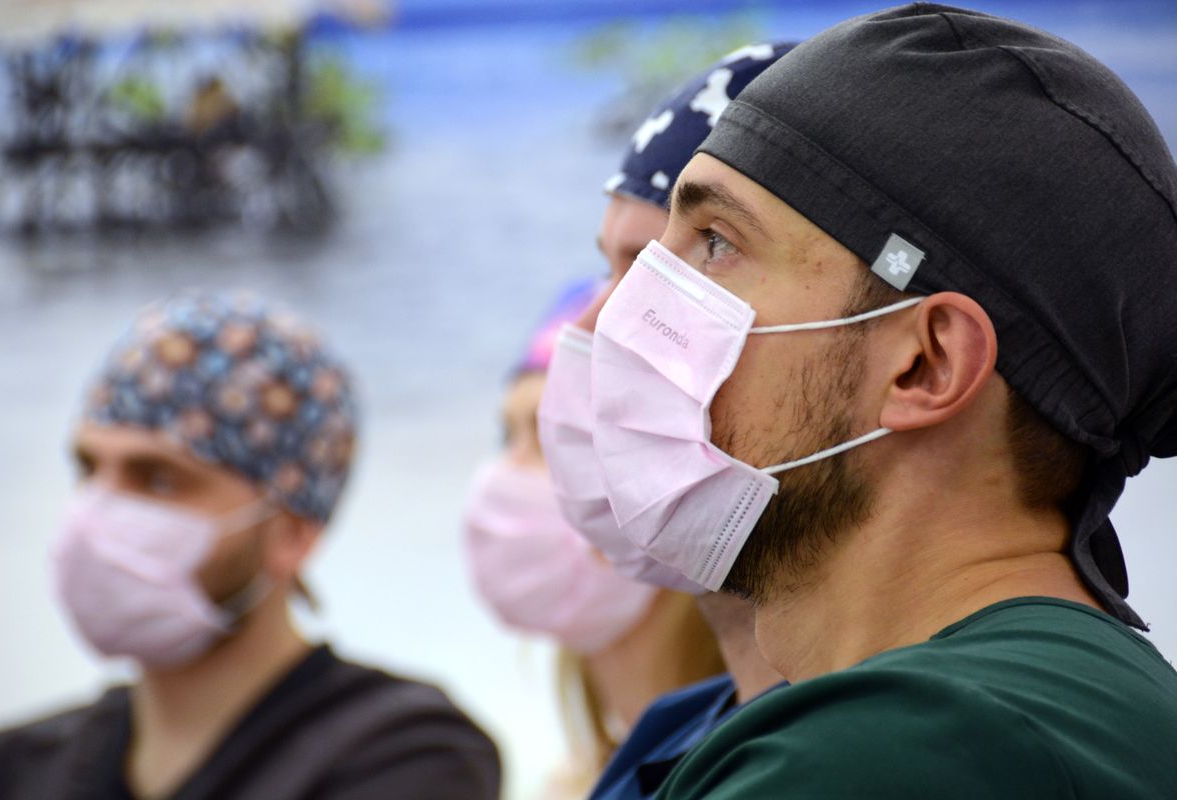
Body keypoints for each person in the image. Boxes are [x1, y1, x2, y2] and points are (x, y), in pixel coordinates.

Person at [581, 4, 1177, 798]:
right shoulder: (1080, 700)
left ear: (927, 365)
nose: (615, 320)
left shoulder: (882, 755)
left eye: (717, 242)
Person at [0, 290, 501, 800]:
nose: (100, 512)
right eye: (89, 469)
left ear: (292, 533)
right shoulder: (15, 766)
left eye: (159, 480)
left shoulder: (407, 755)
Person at [536, 42, 795, 799]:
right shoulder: (669, 737)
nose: (591, 323)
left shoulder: (880, 756)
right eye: (611, 269)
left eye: (680, 269)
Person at [462, 279, 724, 798]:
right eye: (507, 434)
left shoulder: (737, 766)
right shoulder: (579, 782)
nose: (505, 471)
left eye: (549, 438)